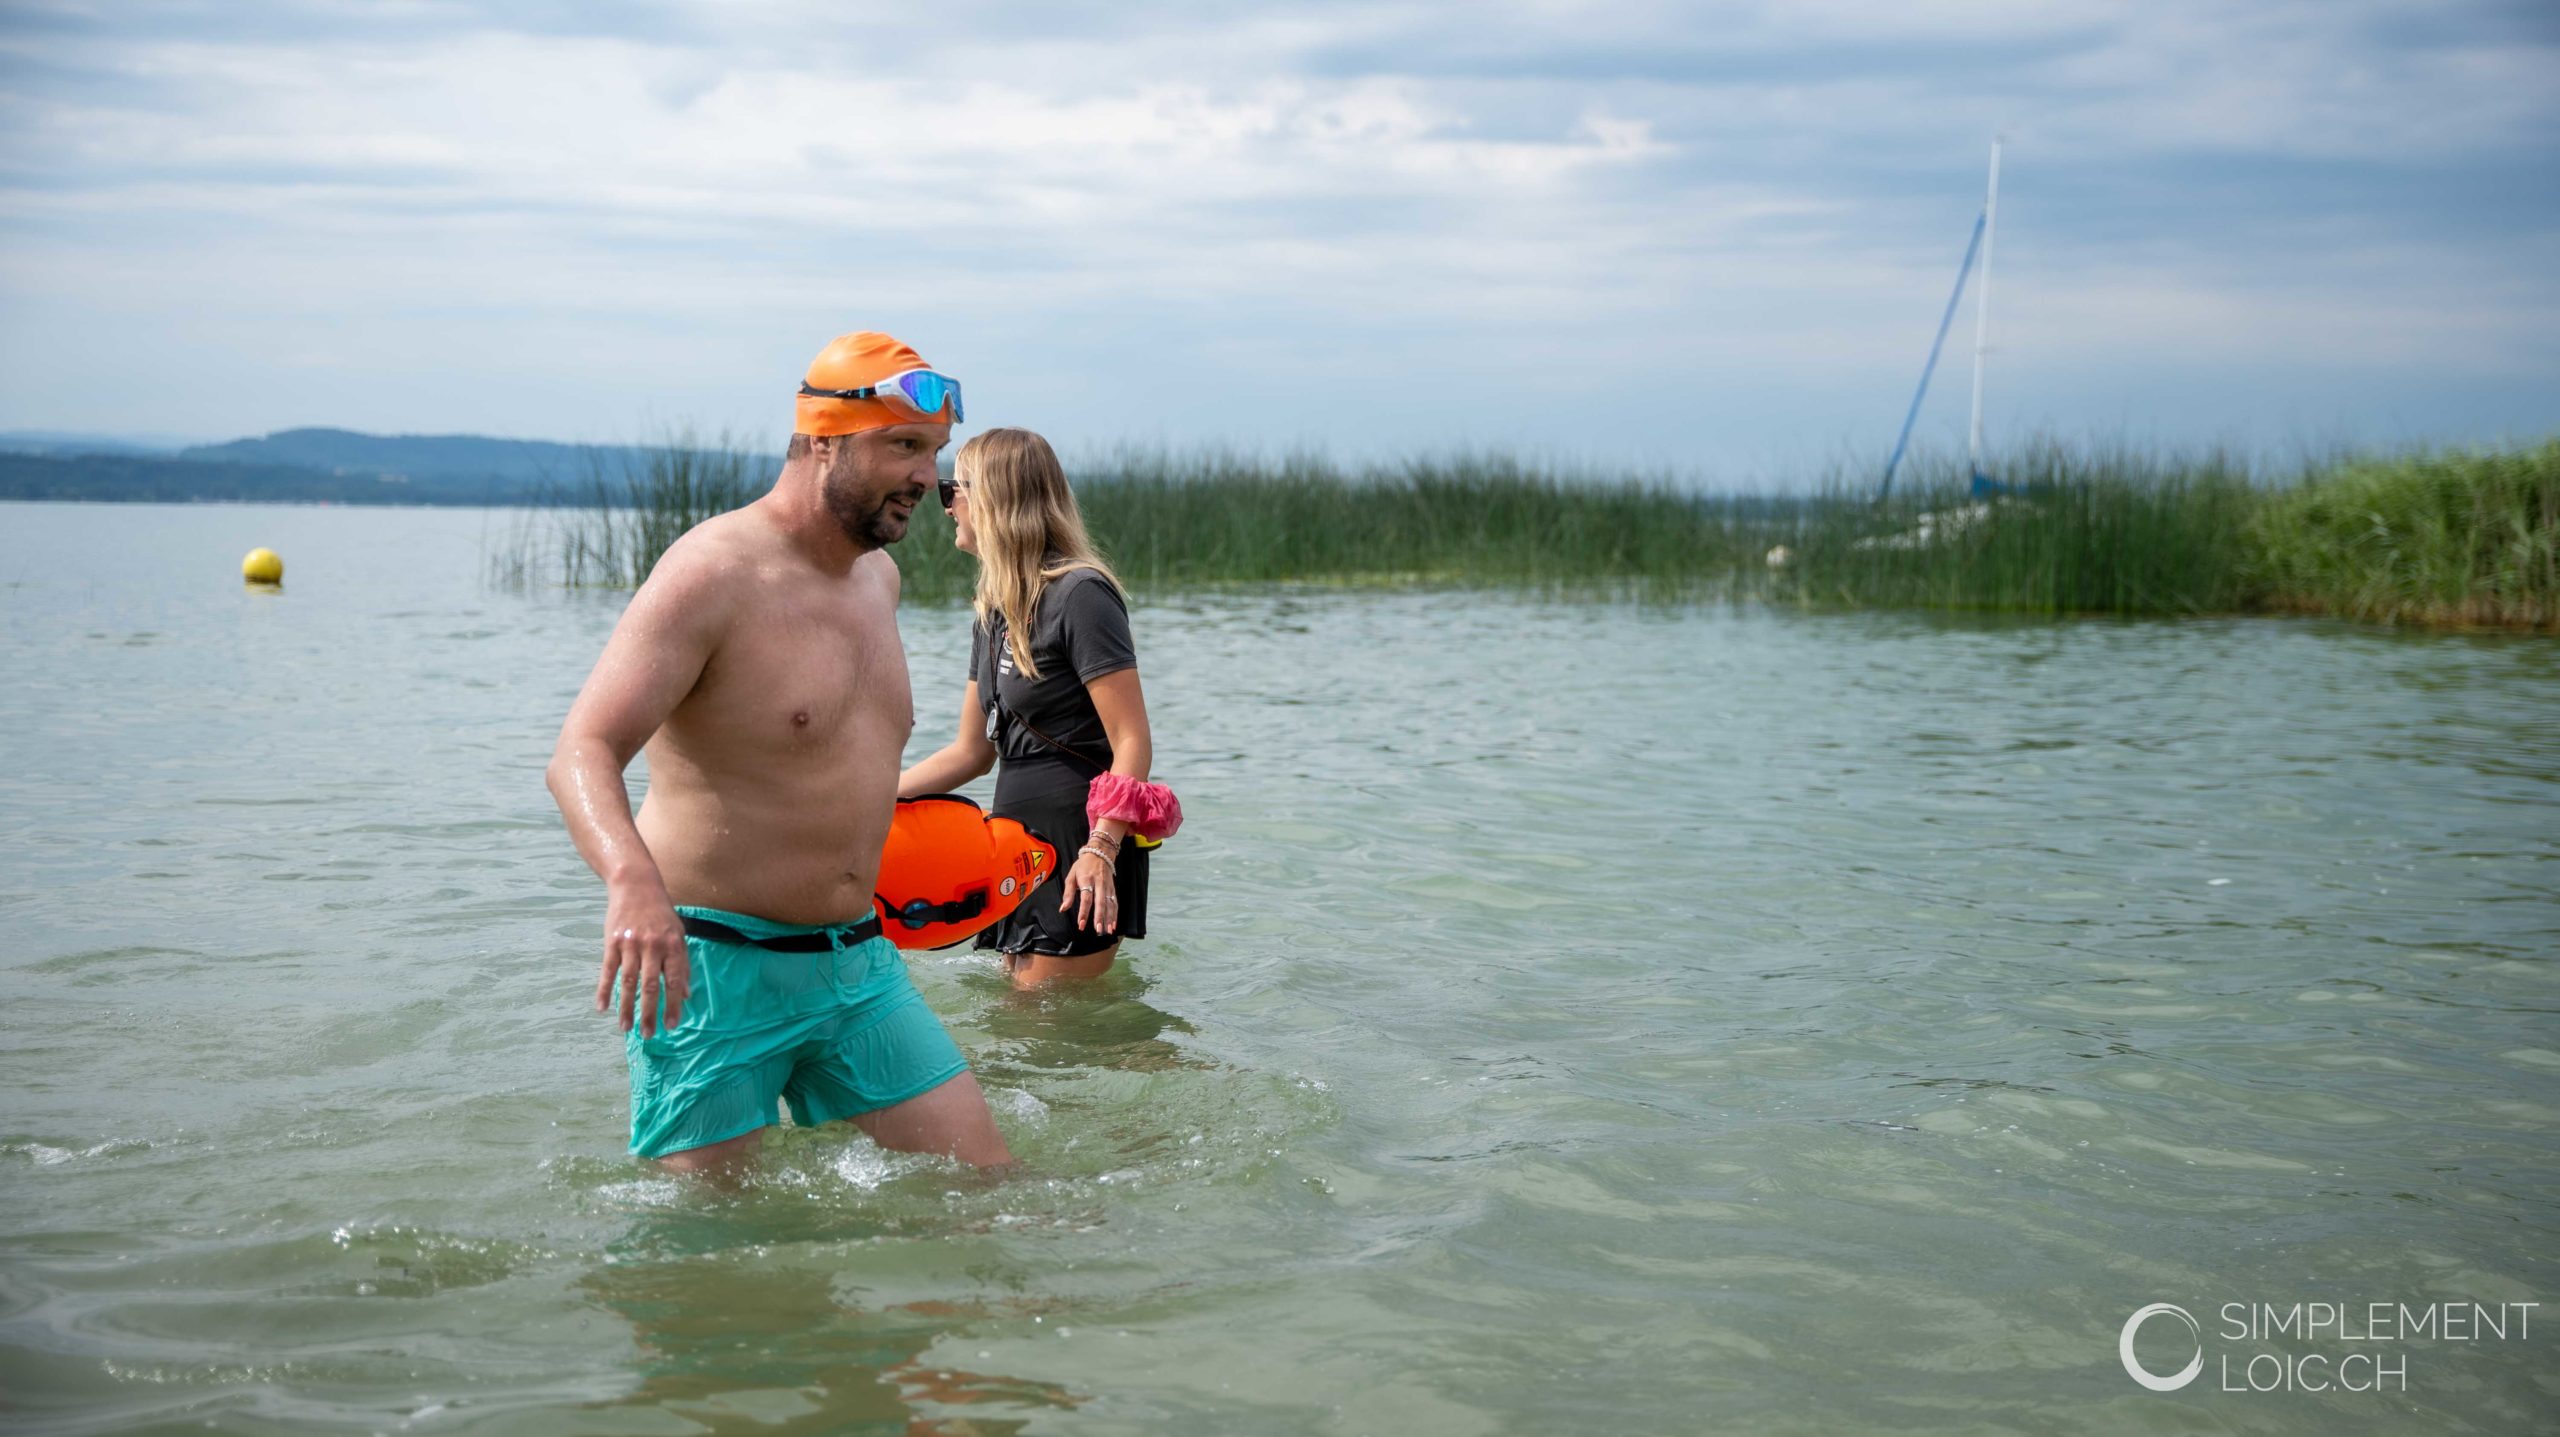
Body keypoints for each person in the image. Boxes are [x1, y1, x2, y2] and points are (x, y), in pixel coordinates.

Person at [546, 331, 1011, 1177]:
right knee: (710, 1241)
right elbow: (582, 748)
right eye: (904, 446)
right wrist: (631, 882)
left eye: (934, 452)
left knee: (993, 1193)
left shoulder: (879, 581)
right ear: (824, 440)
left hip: (857, 964)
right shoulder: (713, 572)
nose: (927, 476)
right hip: (714, 971)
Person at [898, 428, 1181, 989]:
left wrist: (1102, 848)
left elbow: (1131, 740)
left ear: (995, 500)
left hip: (1081, 844)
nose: (947, 504)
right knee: (1019, 1025)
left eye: (955, 489)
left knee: (1044, 1026)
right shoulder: (993, 611)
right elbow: (971, 752)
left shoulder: (1081, 594)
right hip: (1013, 844)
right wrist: (877, 797)